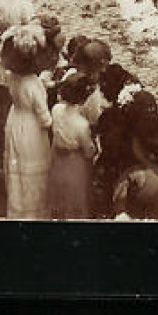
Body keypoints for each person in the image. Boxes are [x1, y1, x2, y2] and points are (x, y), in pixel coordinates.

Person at [0, 23, 53, 220]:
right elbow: (44, 117)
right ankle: (33, 212)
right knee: (33, 167)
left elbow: (1, 74)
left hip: (15, 119)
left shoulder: (12, 76)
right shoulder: (33, 84)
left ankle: (16, 208)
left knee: (17, 167)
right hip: (31, 128)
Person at [46, 70, 97, 220]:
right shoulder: (81, 124)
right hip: (75, 163)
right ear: (83, 99)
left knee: (58, 192)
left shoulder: (56, 109)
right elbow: (89, 151)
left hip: (57, 158)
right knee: (75, 196)